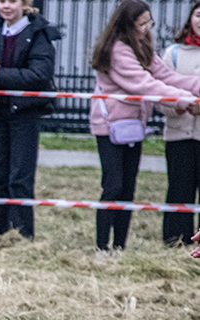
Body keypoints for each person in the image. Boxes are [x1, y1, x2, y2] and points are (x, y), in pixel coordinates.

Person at [90, 0, 200, 252]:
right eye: (141, 24)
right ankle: (101, 248)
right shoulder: (118, 50)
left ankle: (119, 246)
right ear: (127, 25)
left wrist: (196, 87)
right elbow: (145, 85)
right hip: (110, 127)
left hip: (133, 126)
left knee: (128, 187)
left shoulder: (141, 46)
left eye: (148, 22)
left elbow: (167, 77)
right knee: (113, 186)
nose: (146, 28)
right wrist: (184, 99)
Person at [0, 0, 59, 240]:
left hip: (25, 115)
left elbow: (40, 75)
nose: (5, 6)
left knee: (19, 178)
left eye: (12, 1)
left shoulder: (38, 33)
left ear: (24, 4)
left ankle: (22, 235)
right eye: (1, 1)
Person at [159, 2, 200, 246]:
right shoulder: (172, 53)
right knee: (179, 189)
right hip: (179, 134)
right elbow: (159, 94)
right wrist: (179, 106)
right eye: (198, 14)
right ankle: (175, 241)